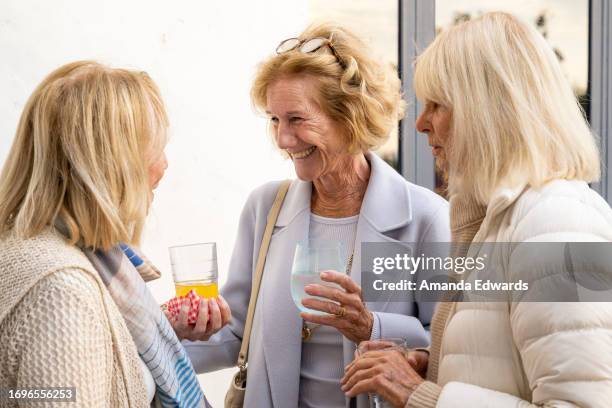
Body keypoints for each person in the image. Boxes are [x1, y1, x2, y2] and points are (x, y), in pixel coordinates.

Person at [167, 23, 450, 407]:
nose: (283, 139)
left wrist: (370, 326)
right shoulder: (265, 208)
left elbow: (450, 350)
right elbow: (236, 333)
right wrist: (166, 335)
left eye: (296, 119)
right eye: (274, 120)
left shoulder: (427, 218)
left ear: (350, 116)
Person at [342, 12, 612, 408]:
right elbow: (508, 369)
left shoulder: (556, 224)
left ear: (488, 111)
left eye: (437, 104)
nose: (419, 123)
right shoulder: (502, 218)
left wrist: (421, 395)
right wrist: (432, 367)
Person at [0, 61, 211, 407]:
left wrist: (153, 332)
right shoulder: (63, 292)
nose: (164, 165)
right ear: (113, 163)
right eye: (153, 148)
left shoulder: (31, 246)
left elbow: (28, 389)